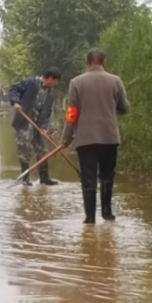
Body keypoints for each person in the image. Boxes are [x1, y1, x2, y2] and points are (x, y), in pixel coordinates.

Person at [60, 48, 129, 224]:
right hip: (109, 138)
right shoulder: (116, 81)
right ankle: (107, 214)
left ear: (87, 63)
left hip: (85, 139)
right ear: (104, 63)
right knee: (107, 176)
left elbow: (72, 114)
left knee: (88, 177)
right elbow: (124, 108)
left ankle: (89, 218)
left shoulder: (76, 83)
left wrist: (66, 139)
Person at [6, 68, 62, 186]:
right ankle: (25, 179)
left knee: (43, 150)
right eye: (56, 81)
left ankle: (44, 178)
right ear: (50, 78)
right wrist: (16, 102)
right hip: (24, 121)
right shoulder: (31, 82)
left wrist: (44, 127)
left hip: (38, 124)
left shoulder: (51, 93)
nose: (56, 84)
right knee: (24, 149)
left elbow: (48, 112)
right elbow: (13, 88)